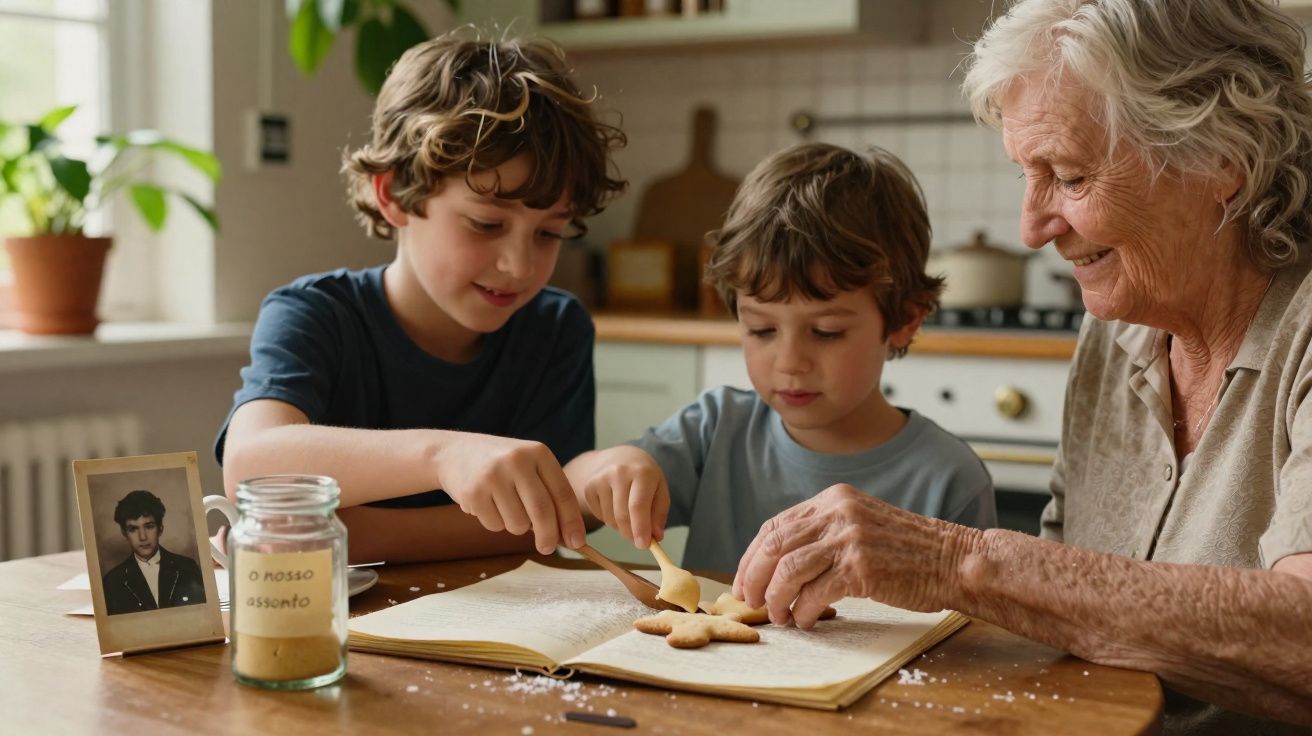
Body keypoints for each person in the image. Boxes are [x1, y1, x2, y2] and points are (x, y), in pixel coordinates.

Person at [732, 1, 1312, 733]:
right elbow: (1070, 613)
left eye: (1068, 176)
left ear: (1221, 156)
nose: (1031, 228)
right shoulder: (1117, 332)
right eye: (1025, 177)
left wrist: (957, 563)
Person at [216, 31, 627, 564]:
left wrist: (350, 532)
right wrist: (443, 455)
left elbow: (558, 516)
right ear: (394, 195)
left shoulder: (555, 327)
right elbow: (250, 467)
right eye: (485, 224)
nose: (520, 266)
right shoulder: (315, 315)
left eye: (549, 233)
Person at [564, 143, 995, 574]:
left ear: (904, 319)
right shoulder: (715, 430)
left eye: (826, 332)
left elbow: (968, 633)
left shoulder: (948, 481)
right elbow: (573, 492)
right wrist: (607, 468)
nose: (790, 362)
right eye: (762, 330)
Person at [101, 490, 206, 615]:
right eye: (133, 529)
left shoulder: (187, 567)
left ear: (160, 528)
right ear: (125, 533)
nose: (143, 537)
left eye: (149, 526)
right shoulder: (112, 581)